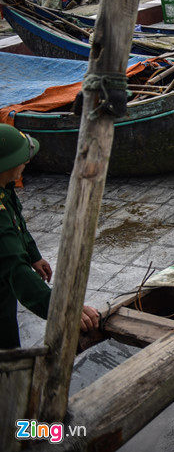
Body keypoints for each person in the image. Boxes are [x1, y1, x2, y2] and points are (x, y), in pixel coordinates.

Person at [1, 126, 100, 348]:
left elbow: (16, 223)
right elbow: (17, 271)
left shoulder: (5, 188)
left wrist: (32, 254)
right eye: (22, 159)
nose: (26, 163)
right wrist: (64, 311)